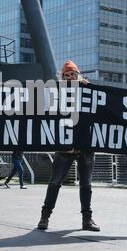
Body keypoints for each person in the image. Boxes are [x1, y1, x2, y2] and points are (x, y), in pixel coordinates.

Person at [37, 60, 100, 232]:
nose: (71, 77)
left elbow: (100, 111)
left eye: (73, 74)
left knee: (86, 185)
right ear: (63, 78)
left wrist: (88, 87)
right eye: (67, 75)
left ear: (78, 75)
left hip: (85, 149)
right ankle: (45, 217)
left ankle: (87, 220)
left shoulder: (88, 91)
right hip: (64, 149)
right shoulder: (57, 94)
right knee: (55, 183)